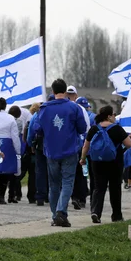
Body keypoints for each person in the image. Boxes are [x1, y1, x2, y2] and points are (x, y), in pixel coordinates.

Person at [34, 79, 87, 227]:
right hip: (70, 150)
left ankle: (54, 215)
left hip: (51, 151)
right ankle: (61, 212)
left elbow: (37, 129)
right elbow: (82, 128)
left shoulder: (44, 109)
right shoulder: (74, 108)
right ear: (65, 91)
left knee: (54, 184)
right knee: (68, 182)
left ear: (53, 91)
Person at [80, 105, 131, 223]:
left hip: (97, 162)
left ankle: (96, 212)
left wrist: (83, 159)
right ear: (109, 116)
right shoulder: (117, 129)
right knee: (115, 188)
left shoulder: (93, 129)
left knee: (99, 188)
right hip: (115, 162)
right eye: (113, 114)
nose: (114, 117)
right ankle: (117, 216)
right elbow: (129, 144)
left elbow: (86, 146)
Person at [0, 98, 22, 205]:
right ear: (5, 106)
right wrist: (18, 150)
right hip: (7, 144)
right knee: (5, 171)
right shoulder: (11, 118)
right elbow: (15, 137)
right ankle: (1, 196)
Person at [8, 105, 35, 203]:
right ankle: (31, 197)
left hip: (13, 149)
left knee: (17, 173)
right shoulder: (22, 121)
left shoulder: (9, 121)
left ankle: (15, 194)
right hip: (25, 149)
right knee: (32, 174)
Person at [27, 101, 49, 206]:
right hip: (52, 146)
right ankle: (51, 195)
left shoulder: (36, 115)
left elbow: (31, 131)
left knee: (40, 171)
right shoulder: (53, 114)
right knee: (53, 170)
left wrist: (31, 144)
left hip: (39, 146)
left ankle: (40, 196)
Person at [71, 97, 91, 210]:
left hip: (72, 147)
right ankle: (82, 198)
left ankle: (74, 197)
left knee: (72, 173)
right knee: (82, 173)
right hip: (82, 147)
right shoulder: (85, 112)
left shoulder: (70, 110)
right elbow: (87, 130)